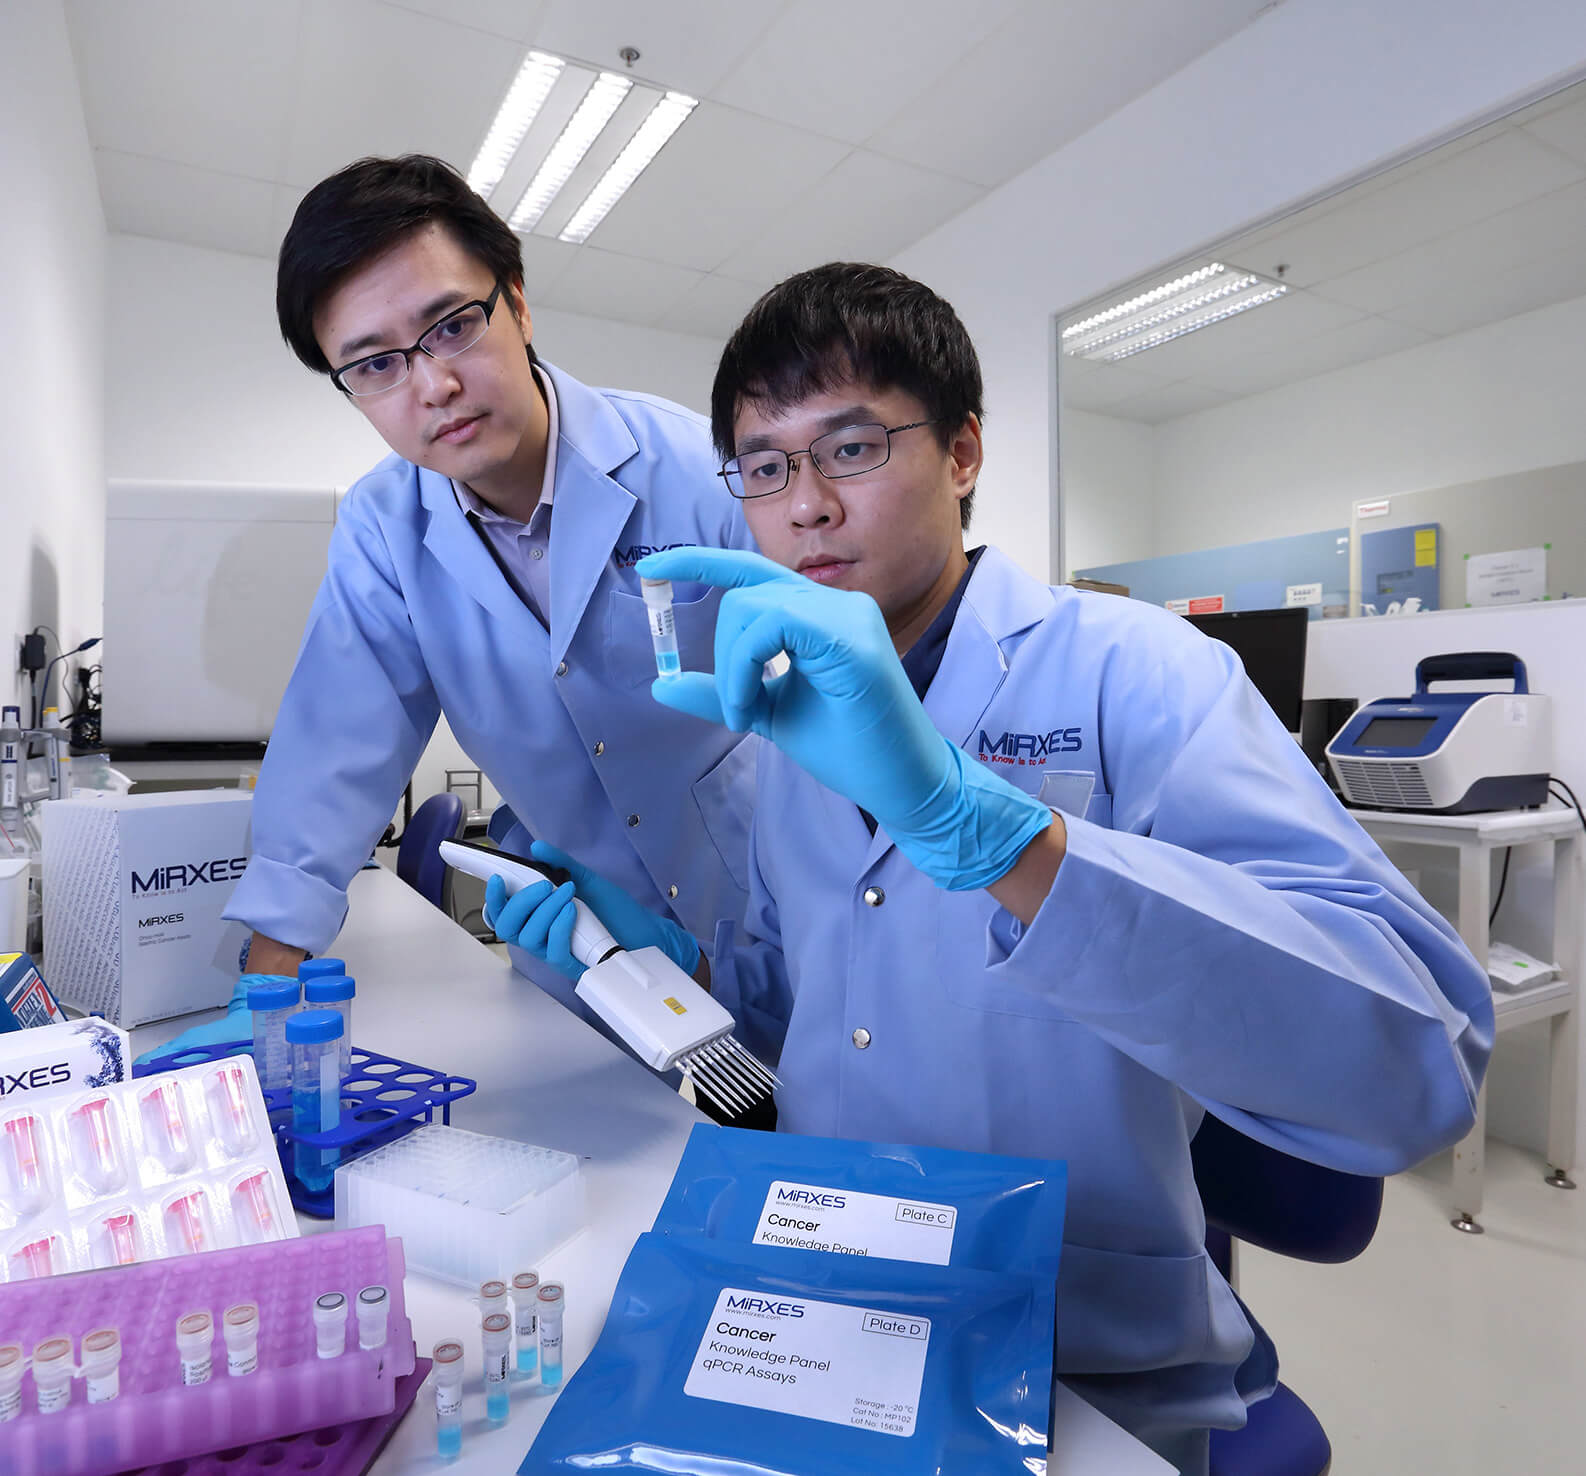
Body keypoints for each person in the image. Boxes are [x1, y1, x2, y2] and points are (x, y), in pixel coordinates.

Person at [486, 262, 1492, 1472]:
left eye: (849, 448)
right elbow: (774, 1022)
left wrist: (992, 832)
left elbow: (1416, 1065)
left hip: (1086, 1348)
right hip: (827, 1304)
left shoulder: (1139, 672)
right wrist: (635, 966)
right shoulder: (782, 723)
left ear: (962, 451)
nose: (802, 506)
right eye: (762, 468)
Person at [155, 154, 758, 1058]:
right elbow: (334, 751)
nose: (430, 386)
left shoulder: (699, 468)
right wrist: (265, 990)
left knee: (784, 1146)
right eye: (374, 365)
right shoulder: (382, 528)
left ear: (516, 302)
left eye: (450, 327)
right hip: (574, 934)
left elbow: (827, 705)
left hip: (754, 911)